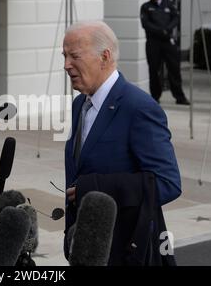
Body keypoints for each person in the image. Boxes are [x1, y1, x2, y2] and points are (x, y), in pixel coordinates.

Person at [63, 21, 181, 265]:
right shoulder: (79, 105)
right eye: (64, 56)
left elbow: (167, 183)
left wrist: (96, 188)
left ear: (104, 57)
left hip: (127, 252)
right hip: (86, 250)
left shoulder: (138, 107)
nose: (66, 65)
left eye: (74, 56)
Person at [140, 0, 189, 105]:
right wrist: (161, 31)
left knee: (174, 69)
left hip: (167, 41)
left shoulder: (169, 5)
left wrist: (167, 29)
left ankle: (179, 96)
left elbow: (176, 18)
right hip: (153, 42)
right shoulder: (146, 7)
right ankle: (155, 97)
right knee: (154, 70)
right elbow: (146, 24)